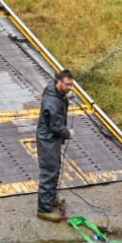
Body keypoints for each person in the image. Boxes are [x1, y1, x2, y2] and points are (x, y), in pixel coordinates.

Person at [35, 68, 76, 223]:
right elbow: (56, 126)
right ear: (59, 81)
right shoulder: (52, 101)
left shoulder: (55, 90)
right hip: (48, 140)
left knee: (55, 168)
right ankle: (44, 209)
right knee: (49, 171)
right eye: (67, 85)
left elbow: (60, 100)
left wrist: (65, 96)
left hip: (52, 139)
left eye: (71, 85)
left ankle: (51, 198)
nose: (69, 88)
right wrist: (68, 133)